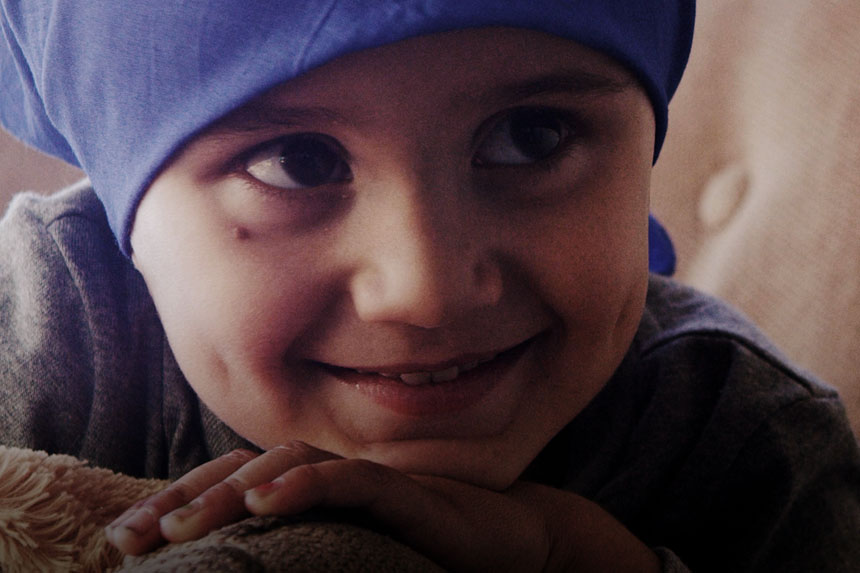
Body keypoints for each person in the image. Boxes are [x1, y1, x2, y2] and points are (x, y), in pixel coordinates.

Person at [1, 2, 857, 571]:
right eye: (297, 161)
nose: (426, 290)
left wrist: (573, 555)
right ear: (128, 214)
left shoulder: (741, 438)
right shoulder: (55, 329)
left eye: (532, 136)